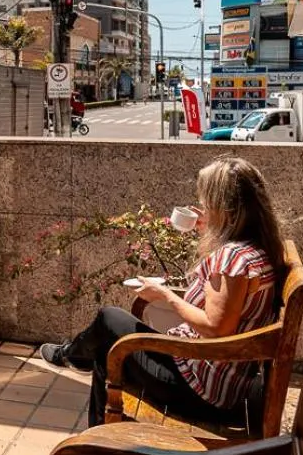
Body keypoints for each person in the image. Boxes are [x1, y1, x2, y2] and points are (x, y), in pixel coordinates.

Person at [38, 157, 285, 427]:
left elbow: (216, 328)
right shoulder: (258, 252)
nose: (202, 207)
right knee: (106, 348)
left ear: (226, 209)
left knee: (109, 320)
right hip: (214, 378)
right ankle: (93, 442)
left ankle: (71, 358)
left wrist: (164, 295)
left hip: (199, 388)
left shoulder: (232, 259)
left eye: (207, 202)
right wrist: (210, 228)